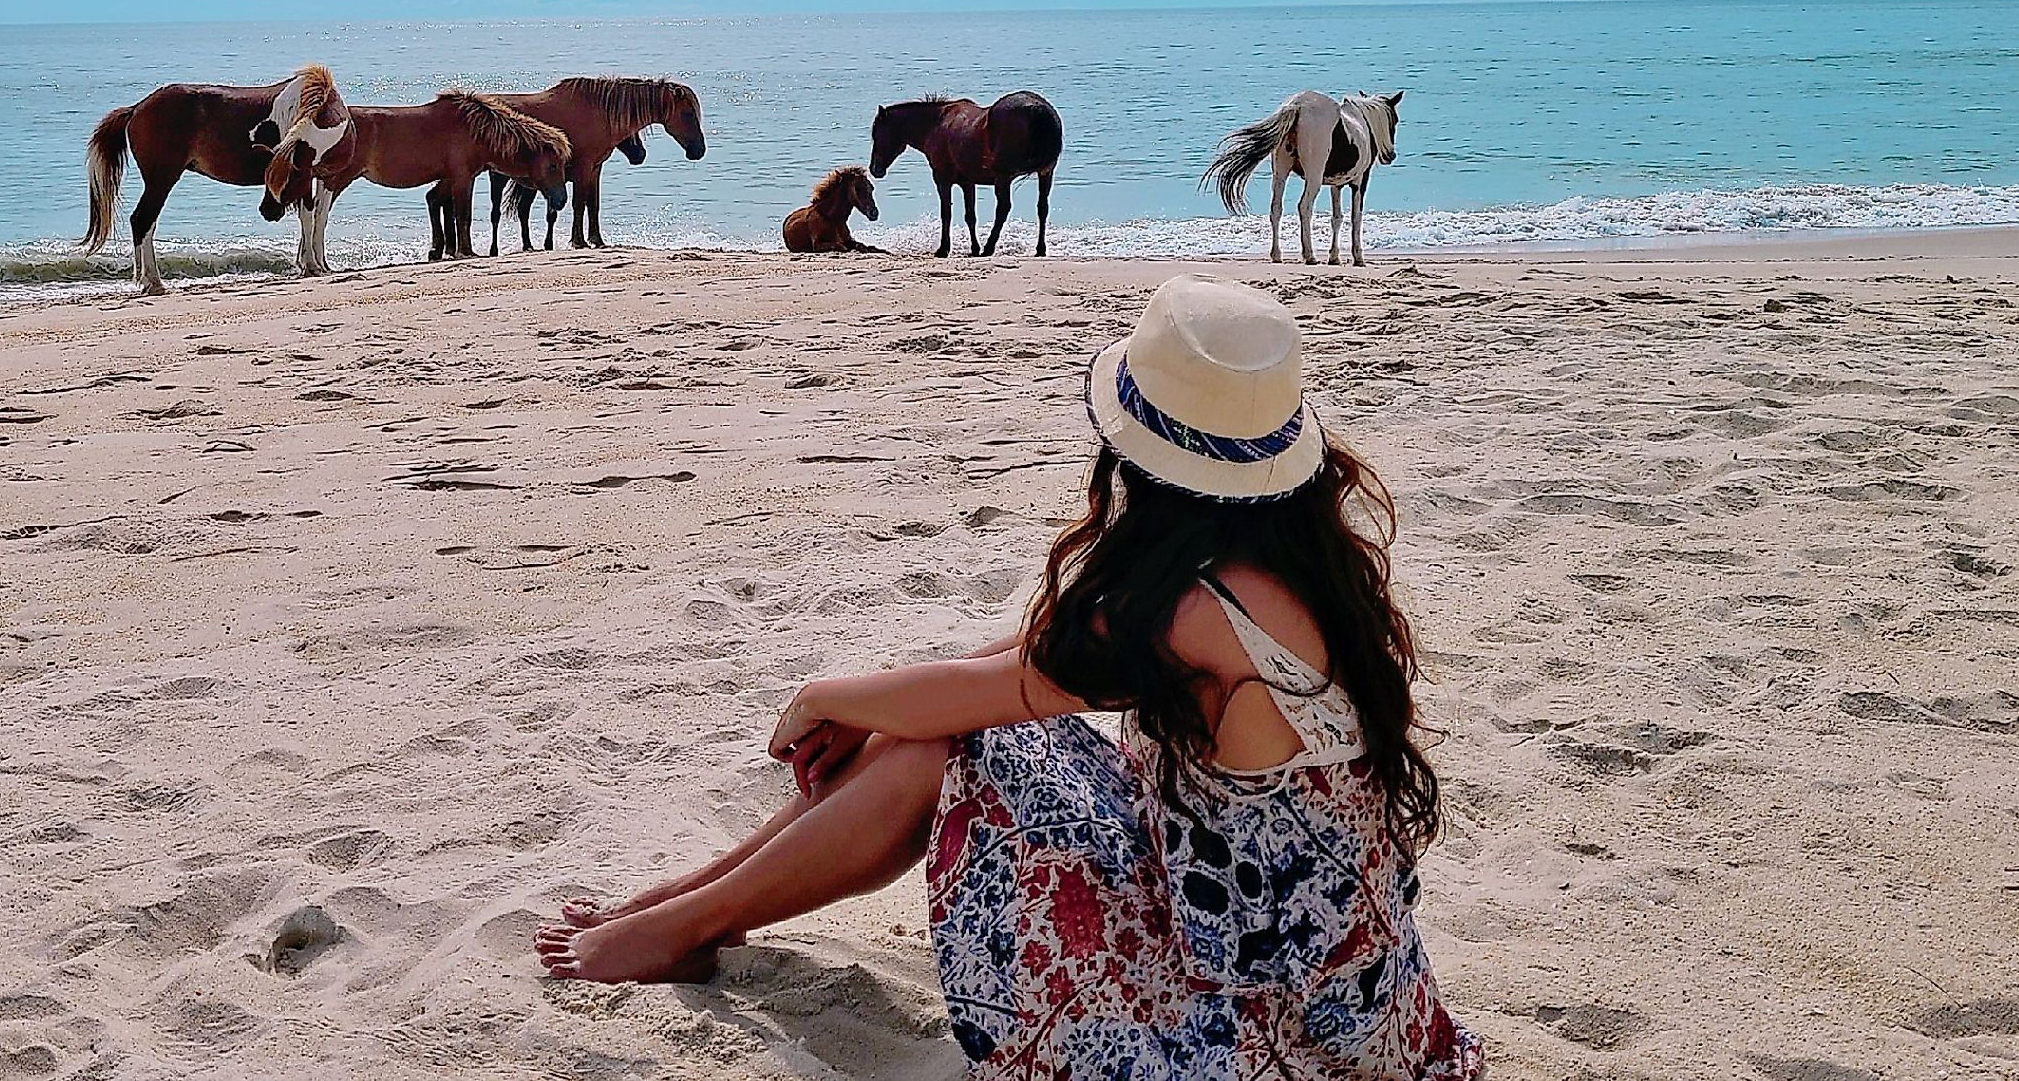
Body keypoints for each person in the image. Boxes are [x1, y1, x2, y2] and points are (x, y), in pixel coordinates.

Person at [538, 275, 1484, 1078]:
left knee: (947, 745)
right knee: (941, 720)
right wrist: (871, 701)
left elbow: (989, 694)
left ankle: (689, 918)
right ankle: (692, 904)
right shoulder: (1297, 561)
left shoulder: (1195, 616)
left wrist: (827, 696)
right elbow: (1018, 657)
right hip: (1355, 990)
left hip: (1247, 1019)